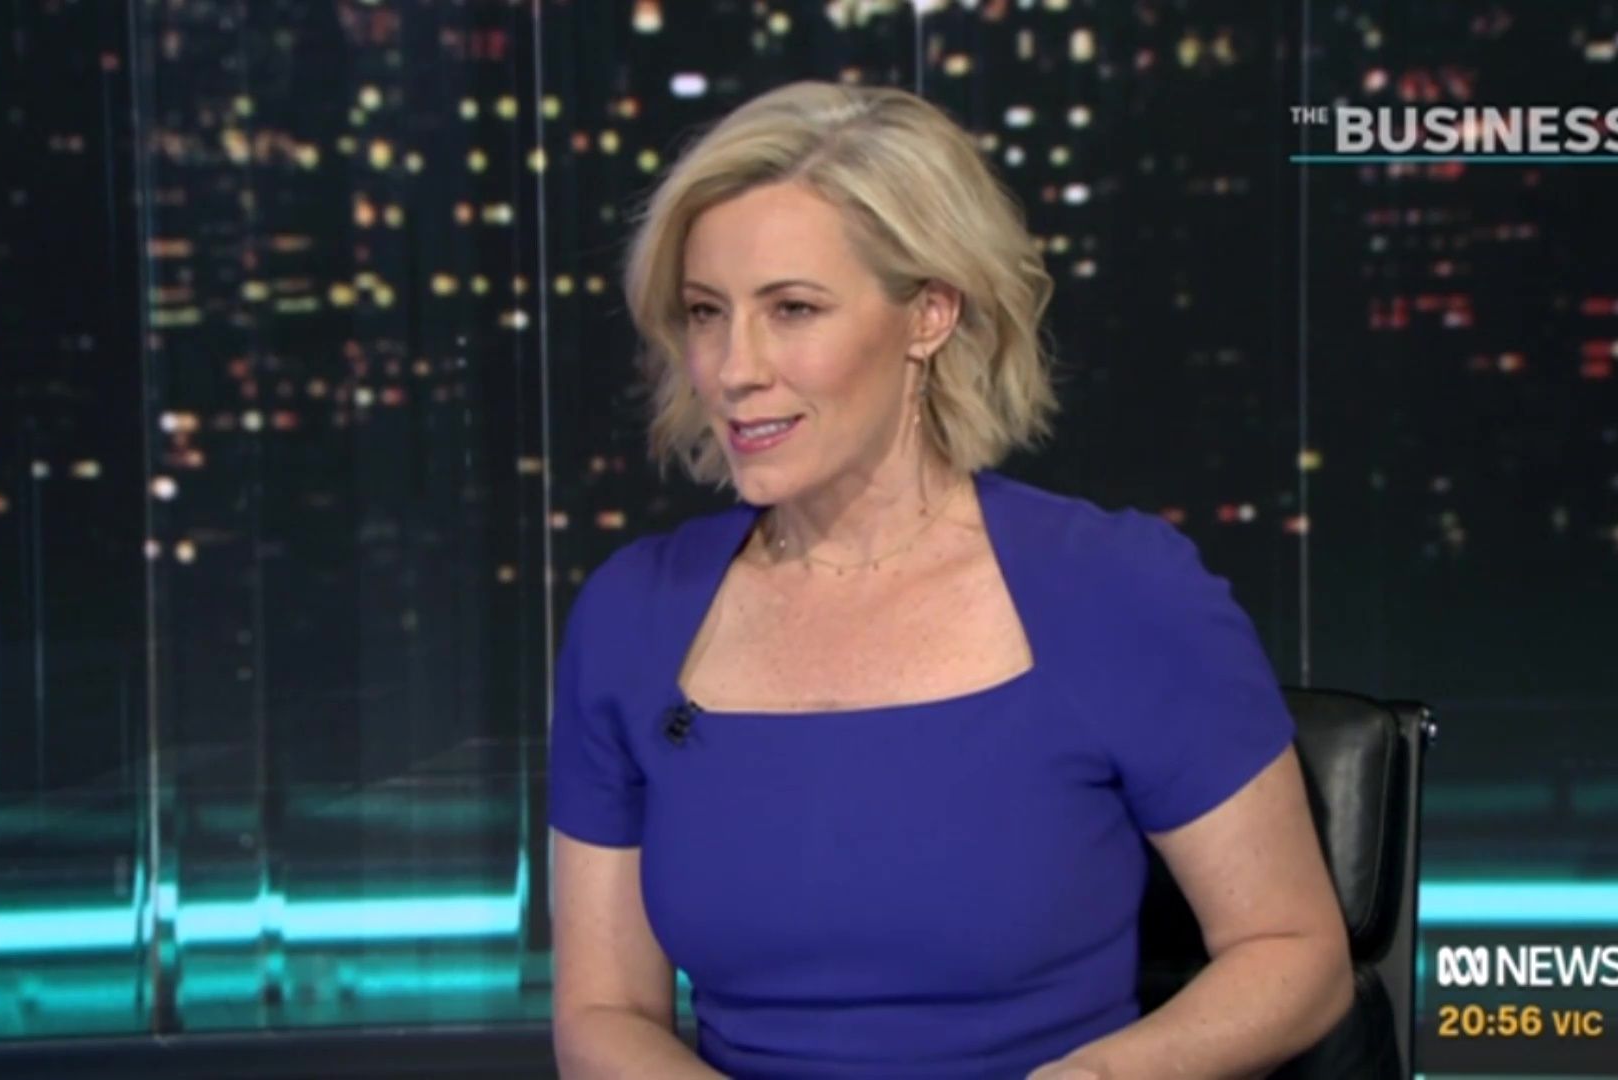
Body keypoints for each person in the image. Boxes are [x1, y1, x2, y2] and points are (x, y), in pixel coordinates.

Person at [547, 80, 1352, 1080]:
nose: (731, 368)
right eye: (707, 313)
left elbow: (1294, 954)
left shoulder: (1118, 591)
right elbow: (604, 1011)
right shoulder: (633, 615)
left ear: (929, 313)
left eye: (793, 309)